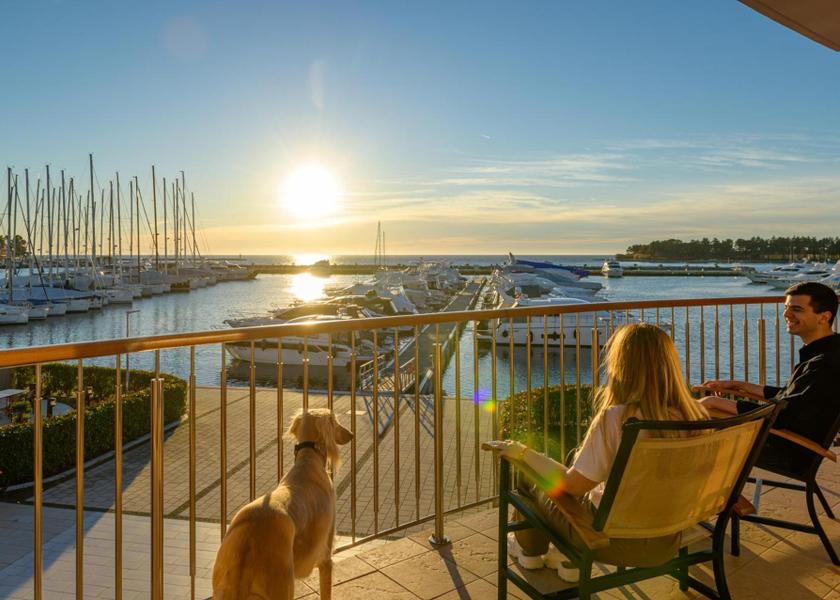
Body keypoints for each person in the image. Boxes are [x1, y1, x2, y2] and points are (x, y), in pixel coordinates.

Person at [485, 323, 708, 576]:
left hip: (611, 541)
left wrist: (523, 452)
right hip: (668, 539)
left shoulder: (618, 419)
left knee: (531, 477)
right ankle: (564, 560)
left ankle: (531, 552)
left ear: (621, 366)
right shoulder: (696, 415)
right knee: (577, 466)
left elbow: (573, 486)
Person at [701, 281, 840, 475]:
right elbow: (791, 397)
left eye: (796, 309)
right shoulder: (829, 350)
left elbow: (784, 415)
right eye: (786, 308)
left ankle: (713, 492)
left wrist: (714, 402)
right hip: (788, 441)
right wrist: (740, 385)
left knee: (697, 431)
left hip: (789, 450)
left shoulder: (824, 363)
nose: (786, 314)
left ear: (824, 317)